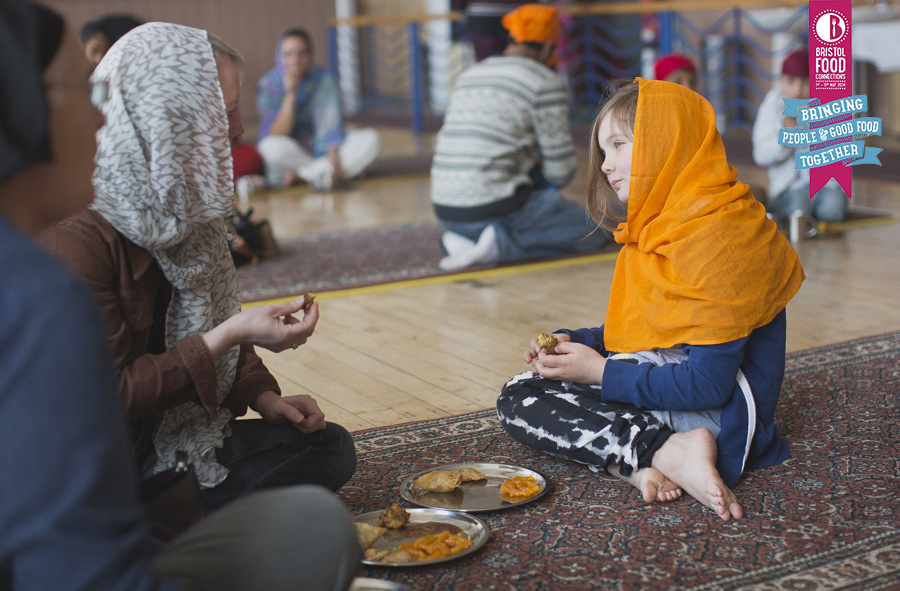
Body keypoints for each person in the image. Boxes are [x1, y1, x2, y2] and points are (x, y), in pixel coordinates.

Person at [1, 5, 361, 590]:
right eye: (84, 93)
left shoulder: (183, 208)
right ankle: (173, 512)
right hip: (132, 462)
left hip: (155, 453)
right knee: (313, 522)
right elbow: (114, 395)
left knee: (327, 449)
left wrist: (262, 395)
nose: (104, 119)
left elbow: (202, 311)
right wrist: (232, 334)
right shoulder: (63, 251)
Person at [496, 78, 805, 521]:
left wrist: (600, 371)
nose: (605, 165)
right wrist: (576, 342)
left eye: (619, 144)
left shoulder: (719, 238)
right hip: (669, 392)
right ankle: (655, 461)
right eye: (603, 152)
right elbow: (657, 327)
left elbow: (708, 385)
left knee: (522, 397)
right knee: (524, 392)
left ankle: (662, 451)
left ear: (669, 142)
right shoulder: (668, 223)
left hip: (718, 416)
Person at [430, 3, 609, 271]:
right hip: (497, 206)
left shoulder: (470, 74)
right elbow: (561, 173)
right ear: (550, 49)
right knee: (594, 230)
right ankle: (499, 247)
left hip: (446, 210)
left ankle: (465, 240)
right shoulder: (544, 83)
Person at [256, 27, 380, 190]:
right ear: (280, 57)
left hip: (323, 152)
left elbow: (331, 129)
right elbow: (277, 133)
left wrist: (335, 164)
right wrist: (291, 95)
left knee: (371, 139)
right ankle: (328, 175)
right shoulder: (269, 85)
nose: (296, 60)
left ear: (310, 56)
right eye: (289, 54)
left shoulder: (323, 79)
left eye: (302, 53)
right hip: (294, 153)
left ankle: (305, 177)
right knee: (269, 148)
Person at [752, 48, 849, 225]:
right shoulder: (772, 107)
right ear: (781, 82)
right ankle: (786, 210)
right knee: (798, 212)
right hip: (790, 185)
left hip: (825, 182)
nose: (798, 89)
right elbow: (760, 156)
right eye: (791, 81)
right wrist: (786, 138)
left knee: (833, 211)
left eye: (806, 82)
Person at [451, 0, 531, 61]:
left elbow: (459, 6)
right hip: (520, 14)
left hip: (482, 14)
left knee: (486, 63)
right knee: (519, 61)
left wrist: (458, 7)